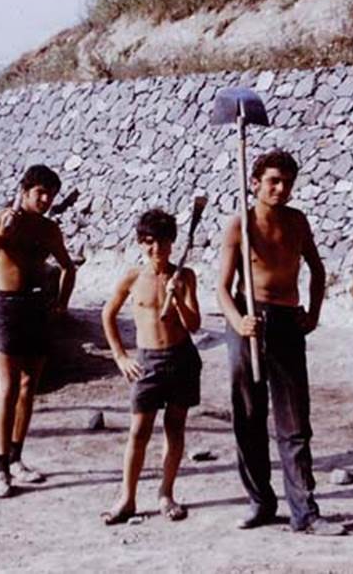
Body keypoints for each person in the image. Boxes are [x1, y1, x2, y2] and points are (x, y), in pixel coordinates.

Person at [216, 149, 345, 536]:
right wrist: (239, 322)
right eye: (273, 181)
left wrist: (314, 312)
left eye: (287, 182)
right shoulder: (240, 224)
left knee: (294, 421)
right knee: (249, 416)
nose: (281, 188)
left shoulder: (297, 221)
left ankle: (304, 511)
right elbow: (222, 289)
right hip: (249, 321)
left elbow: (317, 270)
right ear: (254, 183)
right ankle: (260, 501)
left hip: (287, 320)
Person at [0, 165, 76, 498]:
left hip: (37, 308)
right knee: (7, 387)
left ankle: (17, 458)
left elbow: (68, 267)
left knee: (29, 385)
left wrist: (61, 304)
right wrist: (1, 235)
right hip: (7, 306)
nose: (45, 200)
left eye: (50, 195)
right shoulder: (3, 217)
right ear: (25, 190)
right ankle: (1, 469)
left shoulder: (49, 229)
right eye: (39, 193)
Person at [100, 209, 202, 525]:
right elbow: (108, 315)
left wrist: (179, 297)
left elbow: (195, 324)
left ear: (172, 243)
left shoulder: (184, 276)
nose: (156, 250)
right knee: (138, 432)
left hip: (182, 359)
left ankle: (166, 494)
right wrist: (120, 356)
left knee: (175, 428)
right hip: (147, 362)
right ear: (140, 243)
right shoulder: (133, 277)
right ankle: (127, 499)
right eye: (148, 243)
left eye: (163, 243)